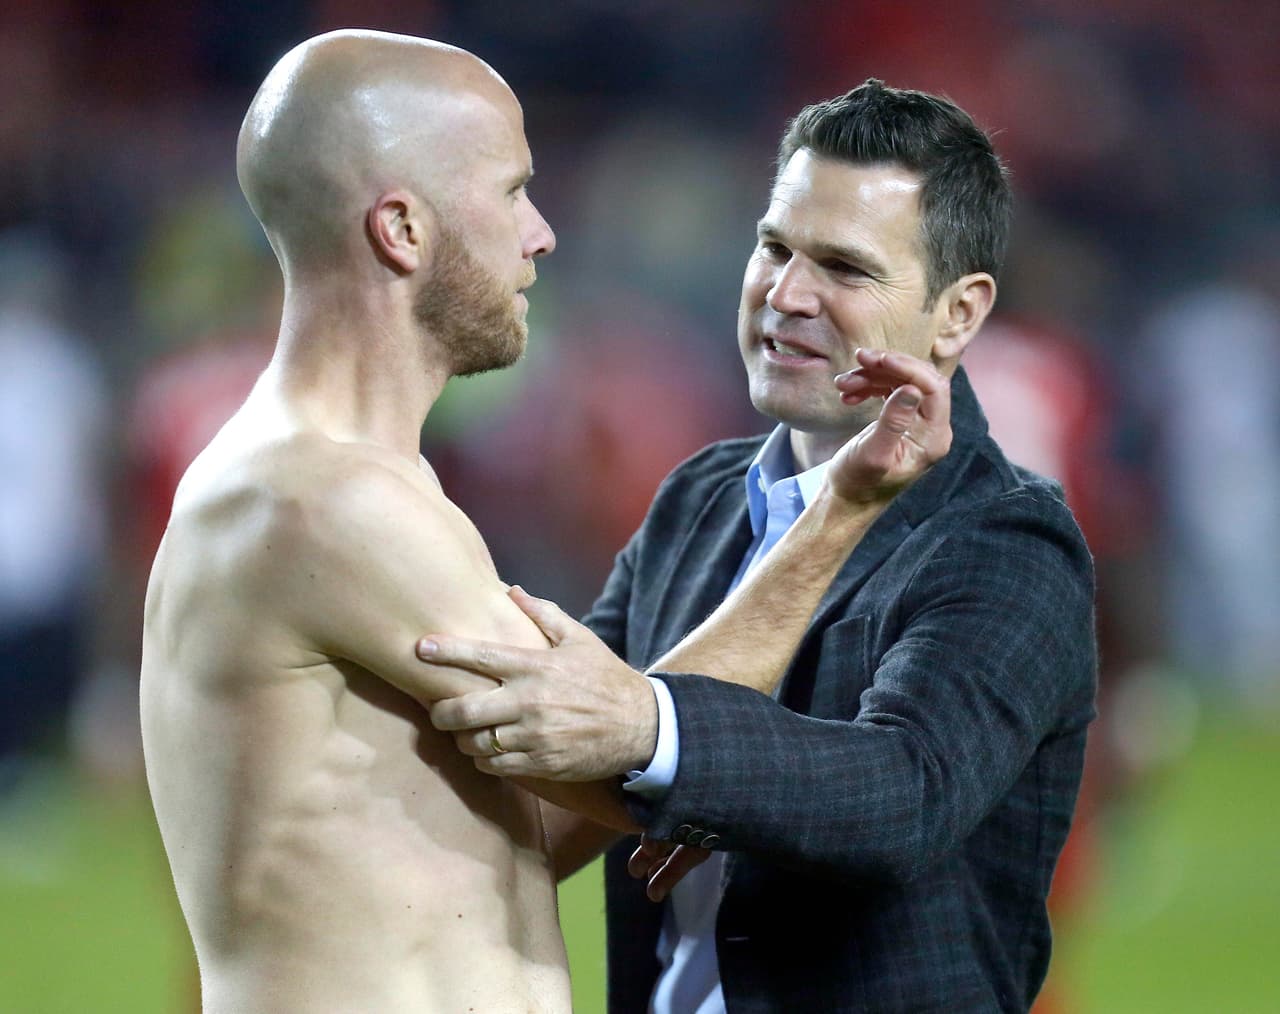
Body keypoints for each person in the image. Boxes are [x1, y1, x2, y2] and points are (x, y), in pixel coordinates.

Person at [139, 33, 954, 1014]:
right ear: (401, 227)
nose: (542, 234)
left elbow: (541, 817)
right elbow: (636, 767)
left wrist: (653, 772)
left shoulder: (349, 486)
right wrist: (835, 520)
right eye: (512, 190)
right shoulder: (321, 500)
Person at [420, 80, 1097, 1013]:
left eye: (845, 269)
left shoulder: (1005, 538)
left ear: (958, 314)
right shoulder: (697, 501)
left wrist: (652, 735)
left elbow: (906, 795)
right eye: (774, 246)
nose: (786, 295)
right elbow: (557, 766)